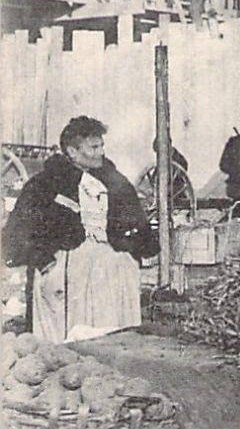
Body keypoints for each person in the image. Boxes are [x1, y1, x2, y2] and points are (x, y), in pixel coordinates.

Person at [3, 116, 156, 340]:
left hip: (111, 275)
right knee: (69, 339)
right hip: (66, 274)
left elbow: (135, 221)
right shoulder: (46, 184)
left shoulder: (114, 181)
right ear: (72, 151)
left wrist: (132, 249)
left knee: (111, 335)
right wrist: (43, 260)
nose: (100, 152)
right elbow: (18, 231)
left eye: (101, 145)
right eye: (93, 147)